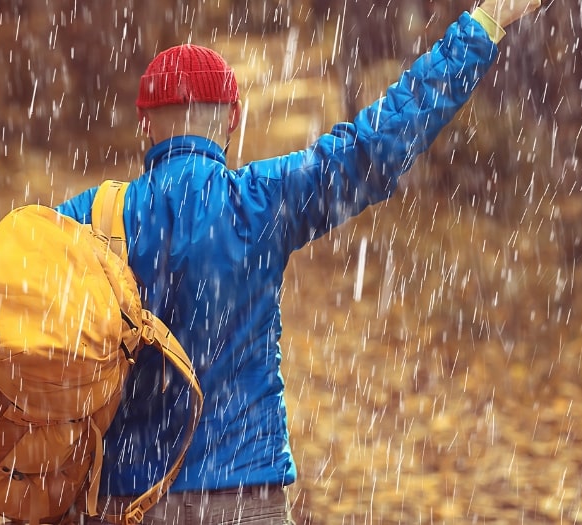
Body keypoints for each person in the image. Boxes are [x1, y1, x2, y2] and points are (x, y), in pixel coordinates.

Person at [56, 1, 542, 523]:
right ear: (233, 119)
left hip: (119, 498)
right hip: (244, 494)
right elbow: (375, 145)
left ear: (145, 124)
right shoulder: (261, 201)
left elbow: (10, 311)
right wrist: (483, 24)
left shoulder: (83, 221)